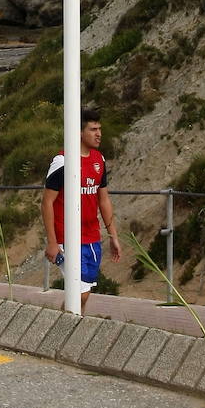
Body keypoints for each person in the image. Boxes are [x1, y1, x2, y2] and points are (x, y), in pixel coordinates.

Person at [42, 106, 121, 312]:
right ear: (79, 132)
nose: (99, 134)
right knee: (79, 293)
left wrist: (113, 235)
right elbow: (47, 202)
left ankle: (70, 333)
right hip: (66, 238)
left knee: (84, 295)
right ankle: (61, 336)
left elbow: (103, 199)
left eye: (99, 129)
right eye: (93, 129)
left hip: (92, 237)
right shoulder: (63, 161)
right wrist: (52, 242)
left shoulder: (99, 160)